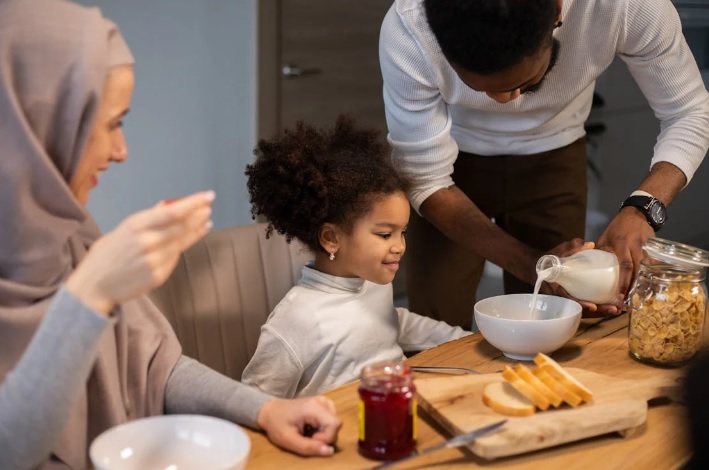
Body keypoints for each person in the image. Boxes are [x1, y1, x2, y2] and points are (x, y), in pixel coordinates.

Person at [0, 1, 341, 468]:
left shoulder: (69, 227)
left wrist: (264, 408)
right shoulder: (83, 254)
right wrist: (91, 294)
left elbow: (154, 368)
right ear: (36, 125)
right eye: (110, 124)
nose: (121, 151)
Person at [379, 0, 709, 329]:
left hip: (556, 152)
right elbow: (424, 176)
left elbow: (690, 112)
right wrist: (533, 264)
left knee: (558, 317)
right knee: (435, 319)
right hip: (450, 167)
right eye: (478, 87)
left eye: (520, 84)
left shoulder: (627, 6)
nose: (504, 102)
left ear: (556, 14)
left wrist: (643, 207)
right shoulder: (410, 28)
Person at [241, 116, 471, 398]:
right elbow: (255, 402)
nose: (400, 246)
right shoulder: (297, 319)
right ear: (331, 238)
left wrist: (464, 341)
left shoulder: (373, 284)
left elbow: (391, 322)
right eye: (385, 235)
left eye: (403, 233)